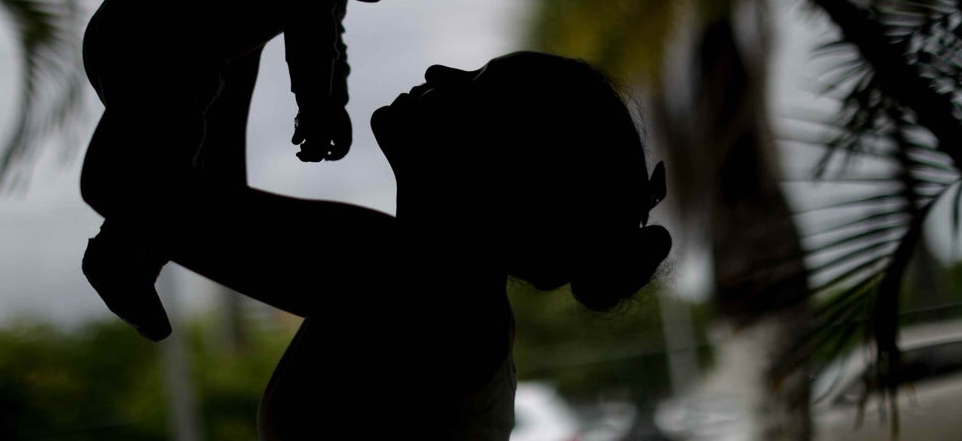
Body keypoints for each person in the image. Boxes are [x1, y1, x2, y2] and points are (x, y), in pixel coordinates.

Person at [153, 50, 671, 440]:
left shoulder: (414, 288)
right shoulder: (447, 297)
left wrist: (241, 17)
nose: (440, 73)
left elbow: (146, 199)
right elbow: (206, 206)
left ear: (504, 171)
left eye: (477, 86)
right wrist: (254, 24)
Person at [79, 0, 438, 340]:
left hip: (175, 54)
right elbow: (313, 33)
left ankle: (136, 253)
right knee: (175, 151)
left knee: (184, 158)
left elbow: (328, 32)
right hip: (142, 37)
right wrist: (320, 107)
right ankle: (118, 254)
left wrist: (332, 100)